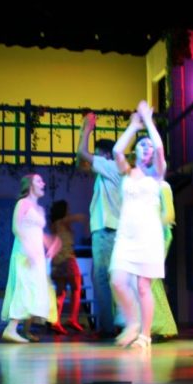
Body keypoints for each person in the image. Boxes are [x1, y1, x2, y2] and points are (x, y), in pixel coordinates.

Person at [110, 101, 166, 350]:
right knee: (117, 280)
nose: (146, 150)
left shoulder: (157, 174)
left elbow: (161, 147)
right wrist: (134, 126)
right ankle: (132, 323)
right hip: (126, 236)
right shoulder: (127, 171)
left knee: (144, 286)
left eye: (149, 147)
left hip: (148, 236)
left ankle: (145, 335)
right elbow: (116, 151)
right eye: (142, 146)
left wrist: (149, 120)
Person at [76, 112, 122, 337]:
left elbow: (82, 154)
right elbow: (81, 163)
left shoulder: (108, 166)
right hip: (113, 230)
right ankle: (115, 323)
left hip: (106, 231)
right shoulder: (112, 171)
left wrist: (87, 129)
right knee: (111, 278)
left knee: (101, 278)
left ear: (104, 154)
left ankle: (107, 327)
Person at [1, 173, 60, 343]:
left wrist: (51, 243)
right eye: (39, 180)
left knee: (36, 288)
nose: (43, 183)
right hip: (24, 253)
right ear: (30, 185)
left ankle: (26, 330)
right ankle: (11, 328)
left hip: (37, 255)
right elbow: (16, 227)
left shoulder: (40, 209)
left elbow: (39, 232)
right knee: (24, 287)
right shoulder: (23, 203)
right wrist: (27, 247)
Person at [49, 199, 86, 333]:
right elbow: (75, 218)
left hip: (57, 261)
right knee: (76, 288)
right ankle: (73, 319)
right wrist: (84, 218)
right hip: (67, 259)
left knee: (61, 292)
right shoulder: (61, 222)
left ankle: (56, 320)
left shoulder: (54, 224)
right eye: (67, 209)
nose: (69, 212)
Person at [150, 180, 179, 339]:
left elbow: (169, 214)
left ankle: (161, 326)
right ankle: (164, 326)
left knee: (149, 278)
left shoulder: (163, 185)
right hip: (150, 234)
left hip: (160, 234)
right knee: (151, 280)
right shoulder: (145, 184)